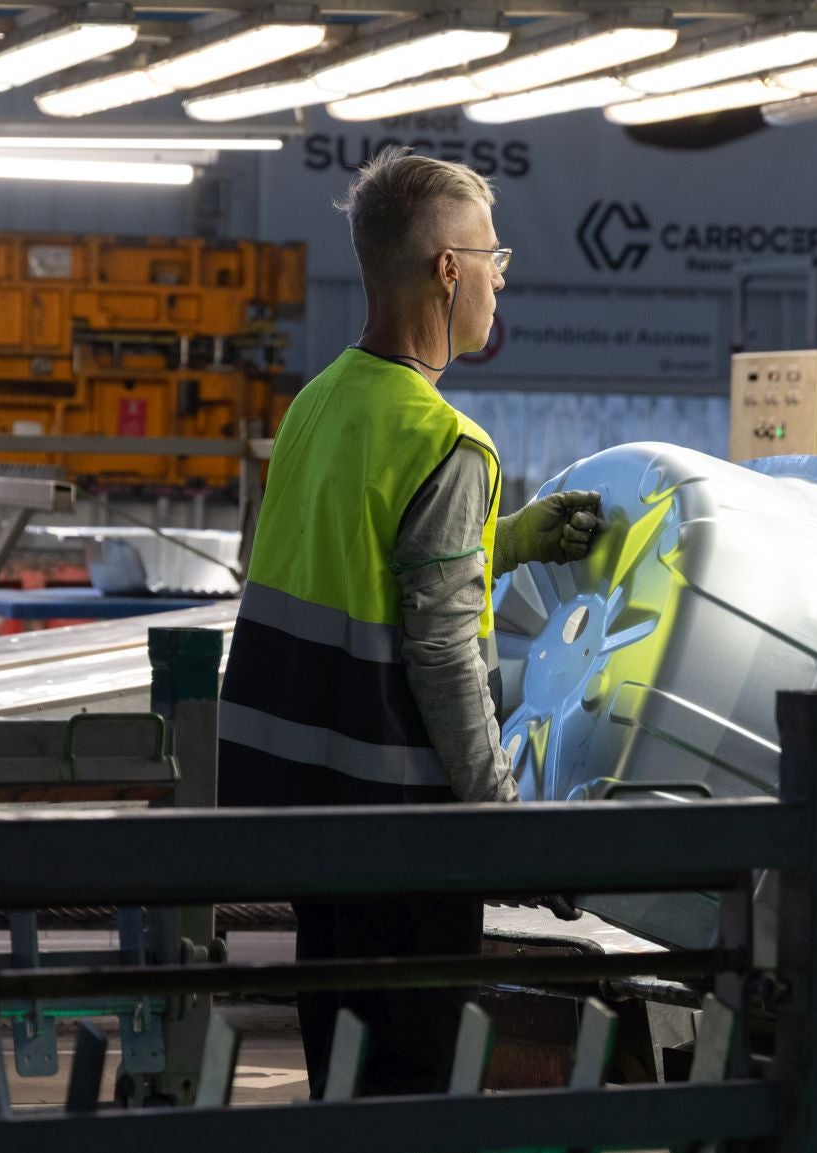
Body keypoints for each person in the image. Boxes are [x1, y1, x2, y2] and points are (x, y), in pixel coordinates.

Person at [216, 146, 603, 1097]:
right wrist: (503, 826)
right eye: (493, 258)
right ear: (448, 269)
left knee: (342, 1081)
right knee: (410, 1092)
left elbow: (363, 563)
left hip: (305, 814)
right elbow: (442, 654)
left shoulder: (318, 404)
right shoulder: (446, 442)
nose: (501, 279)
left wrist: (504, 541)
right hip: (401, 830)